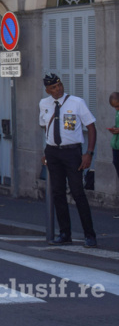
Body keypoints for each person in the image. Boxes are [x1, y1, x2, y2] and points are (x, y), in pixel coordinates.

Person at [40, 73, 97, 248]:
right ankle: (65, 233)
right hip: (53, 153)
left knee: (78, 192)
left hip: (72, 153)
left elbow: (91, 128)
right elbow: (45, 127)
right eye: (54, 88)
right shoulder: (44, 103)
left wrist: (89, 153)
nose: (58, 89)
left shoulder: (77, 102)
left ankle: (90, 235)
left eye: (59, 86)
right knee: (57, 193)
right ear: (47, 90)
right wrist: (47, 150)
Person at [108, 92, 119, 219]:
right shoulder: (117, 113)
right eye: (114, 107)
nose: (116, 109)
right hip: (116, 146)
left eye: (117, 106)